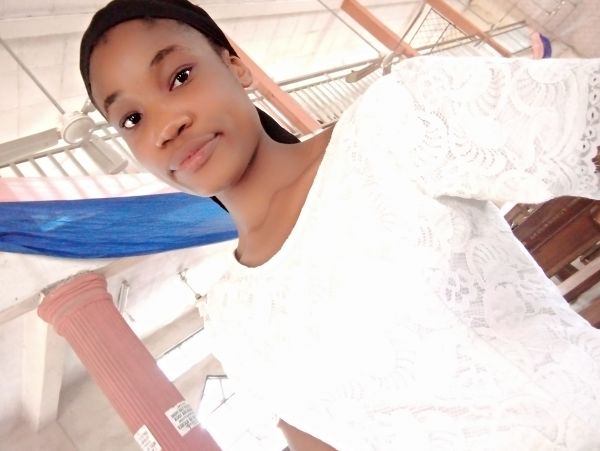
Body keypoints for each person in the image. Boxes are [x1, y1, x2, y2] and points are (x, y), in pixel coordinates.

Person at [80, 1, 600, 449]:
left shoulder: (394, 125)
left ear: (235, 64)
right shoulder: (230, 320)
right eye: (131, 119)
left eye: (179, 77)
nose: (165, 126)